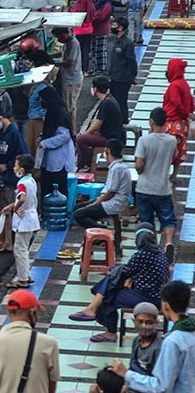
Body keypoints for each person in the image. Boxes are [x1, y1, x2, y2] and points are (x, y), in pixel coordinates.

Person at [70, 222, 169, 343]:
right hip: (157, 295)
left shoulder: (143, 254)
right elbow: (132, 271)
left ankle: (107, 328)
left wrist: (117, 272)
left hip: (147, 297)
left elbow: (124, 270)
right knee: (112, 282)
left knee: (109, 295)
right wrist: (130, 277)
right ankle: (92, 309)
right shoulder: (160, 253)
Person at [72, 140, 130, 255]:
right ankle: (97, 235)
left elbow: (110, 192)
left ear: (107, 151)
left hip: (112, 203)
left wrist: (96, 203)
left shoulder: (117, 168)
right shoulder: (118, 166)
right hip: (108, 200)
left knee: (79, 214)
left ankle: (105, 233)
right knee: (77, 207)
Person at [136, 108, 179, 261]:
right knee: (168, 219)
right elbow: (173, 158)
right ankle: (168, 243)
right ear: (165, 122)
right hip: (163, 188)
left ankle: (151, 249)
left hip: (145, 187)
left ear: (151, 122)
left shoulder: (144, 141)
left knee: (146, 221)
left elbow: (139, 165)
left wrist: (140, 168)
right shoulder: (171, 141)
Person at [37, 88, 76, 210]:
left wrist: (45, 142)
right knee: (47, 183)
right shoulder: (52, 111)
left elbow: (64, 136)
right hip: (50, 156)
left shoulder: (60, 113)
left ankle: (60, 212)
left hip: (60, 157)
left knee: (58, 186)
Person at [76, 76, 124, 172]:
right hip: (111, 134)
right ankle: (83, 164)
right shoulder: (110, 100)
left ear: (95, 89)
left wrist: (86, 133)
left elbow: (97, 123)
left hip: (110, 138)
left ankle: (88, 163)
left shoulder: (106, 103)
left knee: (81, 139)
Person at [5, 155, 38, 289]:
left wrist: (15, 208)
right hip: (31, 217)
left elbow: (23, 198)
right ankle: (26, 275)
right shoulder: (31, 180)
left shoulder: (22, 183)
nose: (14, 168)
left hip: (24, 220)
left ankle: (22, 279)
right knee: (24, 248)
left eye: (16, 166)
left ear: (22, 169)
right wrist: (12, 205)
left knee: (20, 250)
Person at [123, 302, 162, 393]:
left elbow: (159, 383)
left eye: (149, 322)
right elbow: (132, 369)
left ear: (156, 322)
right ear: (134, 322)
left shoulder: (159, 348)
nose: (144, 326)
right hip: (133, 391)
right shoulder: (136, 341)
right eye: (140, 322)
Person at [163, 58, 193, 175]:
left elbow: (176, 102)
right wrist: (188, 114)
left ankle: (165, 173)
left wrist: (183, 113)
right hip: (183, 123)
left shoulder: (174, 85)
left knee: (168, 150)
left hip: (173, 122)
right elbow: (191, 101)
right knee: (179, 148)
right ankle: (175, 174)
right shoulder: (185, 84)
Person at [108, 17, 137, 123]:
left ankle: (123, 122)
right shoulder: (116, 40)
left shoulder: (127, 43)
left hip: (123, 78)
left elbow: (132, 61)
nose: (112, 27)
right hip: (114, 76)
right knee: (114, 100)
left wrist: (133, 75)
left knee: (121, 101)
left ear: (120, 28)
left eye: (114, 25)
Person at [52, 27, 84, 127]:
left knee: (70, 106)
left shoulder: (73, 43)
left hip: (72, 80)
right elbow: (61, 53)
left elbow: (69, 62)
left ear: (63, 34)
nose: (58, 39)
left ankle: (71, 129)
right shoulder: (67, 43)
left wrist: (56, 64)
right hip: (67, 78)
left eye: (58, 36)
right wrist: (49, 56)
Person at [71, 0, 95, 75]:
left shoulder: (77, 5)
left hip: (78, 31)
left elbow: (73, 16)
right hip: (89, 30)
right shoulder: (91, 4)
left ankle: (78, 69)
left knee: (78, 51)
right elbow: (93, 16)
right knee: (86, 50)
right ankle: (85, 70)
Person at [89, 0, 114, 76]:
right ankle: (96, 68)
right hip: (95, 30)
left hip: (102, 30)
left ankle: (102, 68)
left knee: (101, 50)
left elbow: (101, 17)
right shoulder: (98, 4)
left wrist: (92, 18)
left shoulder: (107, 5)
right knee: (95, 50)